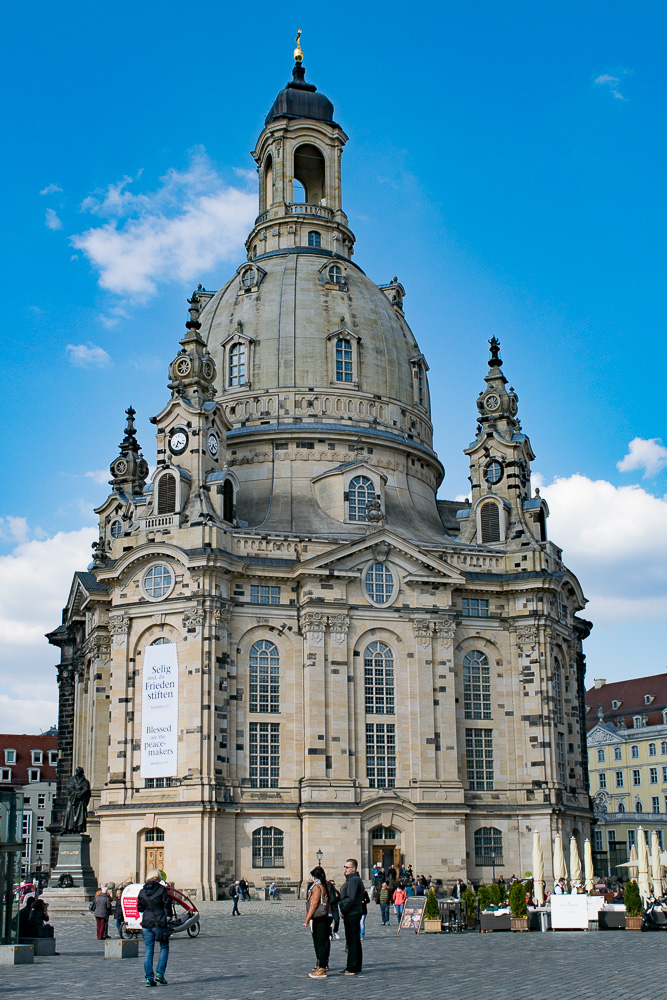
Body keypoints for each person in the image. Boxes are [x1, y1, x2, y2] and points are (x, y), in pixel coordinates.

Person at [137, 868, 173, 988]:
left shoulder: (142, 891)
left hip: (146, 924)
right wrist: (168, 917)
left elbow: (140, 908)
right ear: (158, 877)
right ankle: (160, 973)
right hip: (159, 924)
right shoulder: (161, 889)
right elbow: (167, 905)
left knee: (148, 951)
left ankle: (149, 978)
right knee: (164, 947)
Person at [338, 858, 364, 976]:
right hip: (353, 912)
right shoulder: (353, 879)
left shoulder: (353, 880)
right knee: (353, 940)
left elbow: (351, 898)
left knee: (352, 940)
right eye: (345, 867)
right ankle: (354, 965)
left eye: (347, 867)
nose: (345, 869)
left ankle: (352, 967)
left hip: (352, 913)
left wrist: (343, 909)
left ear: (353, 869)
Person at [304, 865, 330, 979]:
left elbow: (314, 904)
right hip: (323, 918)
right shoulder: (323, 885)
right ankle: (321, 966)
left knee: (319, 943)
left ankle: (322, 968)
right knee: (322, 942)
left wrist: (307, 919)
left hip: (319, 918)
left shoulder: (317, 887)